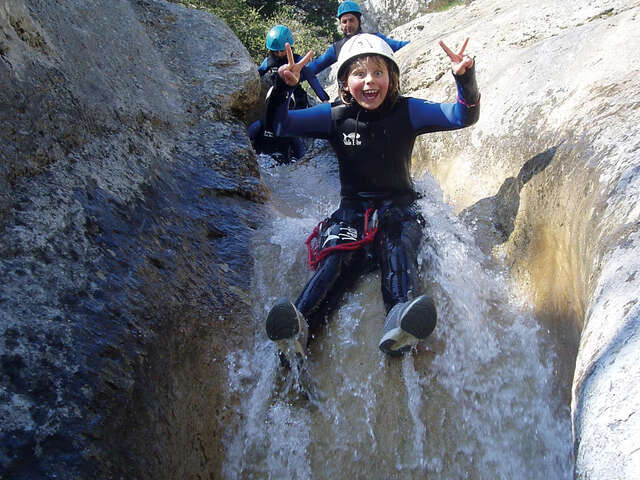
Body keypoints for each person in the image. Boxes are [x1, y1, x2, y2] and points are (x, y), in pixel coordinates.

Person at [264, 33, 480, 363]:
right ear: (345, 82)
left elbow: (462, 116)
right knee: (337, 258)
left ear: (391, 78)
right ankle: (298, 325)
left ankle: (399, 321)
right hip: (352, 210)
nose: (369, 82)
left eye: (378, 72)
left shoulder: (408, 111)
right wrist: (283, 89)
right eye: (359, 74)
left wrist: (465, 79)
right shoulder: (333, 116)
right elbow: (279, 126)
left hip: (400, 205)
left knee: (397, 246)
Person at [249, 25, 330, 162]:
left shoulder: (297, 61)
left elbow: (311, 78)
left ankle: (298, 155)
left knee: (292, 130)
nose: (279, 54)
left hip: (295, 97)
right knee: (264, 123)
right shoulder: (269, 61)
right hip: (276, 96)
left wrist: (324, 99)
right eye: (275, 51)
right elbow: (258, 73)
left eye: (281, 50)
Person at [306, 1, 409, 77]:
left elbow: (399, 46)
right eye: (344, 22)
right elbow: (315, 67)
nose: (348, 25)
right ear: (340, 25)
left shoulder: (374, 38)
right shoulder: (337, 48)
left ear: (358, 21)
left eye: (351, 20)